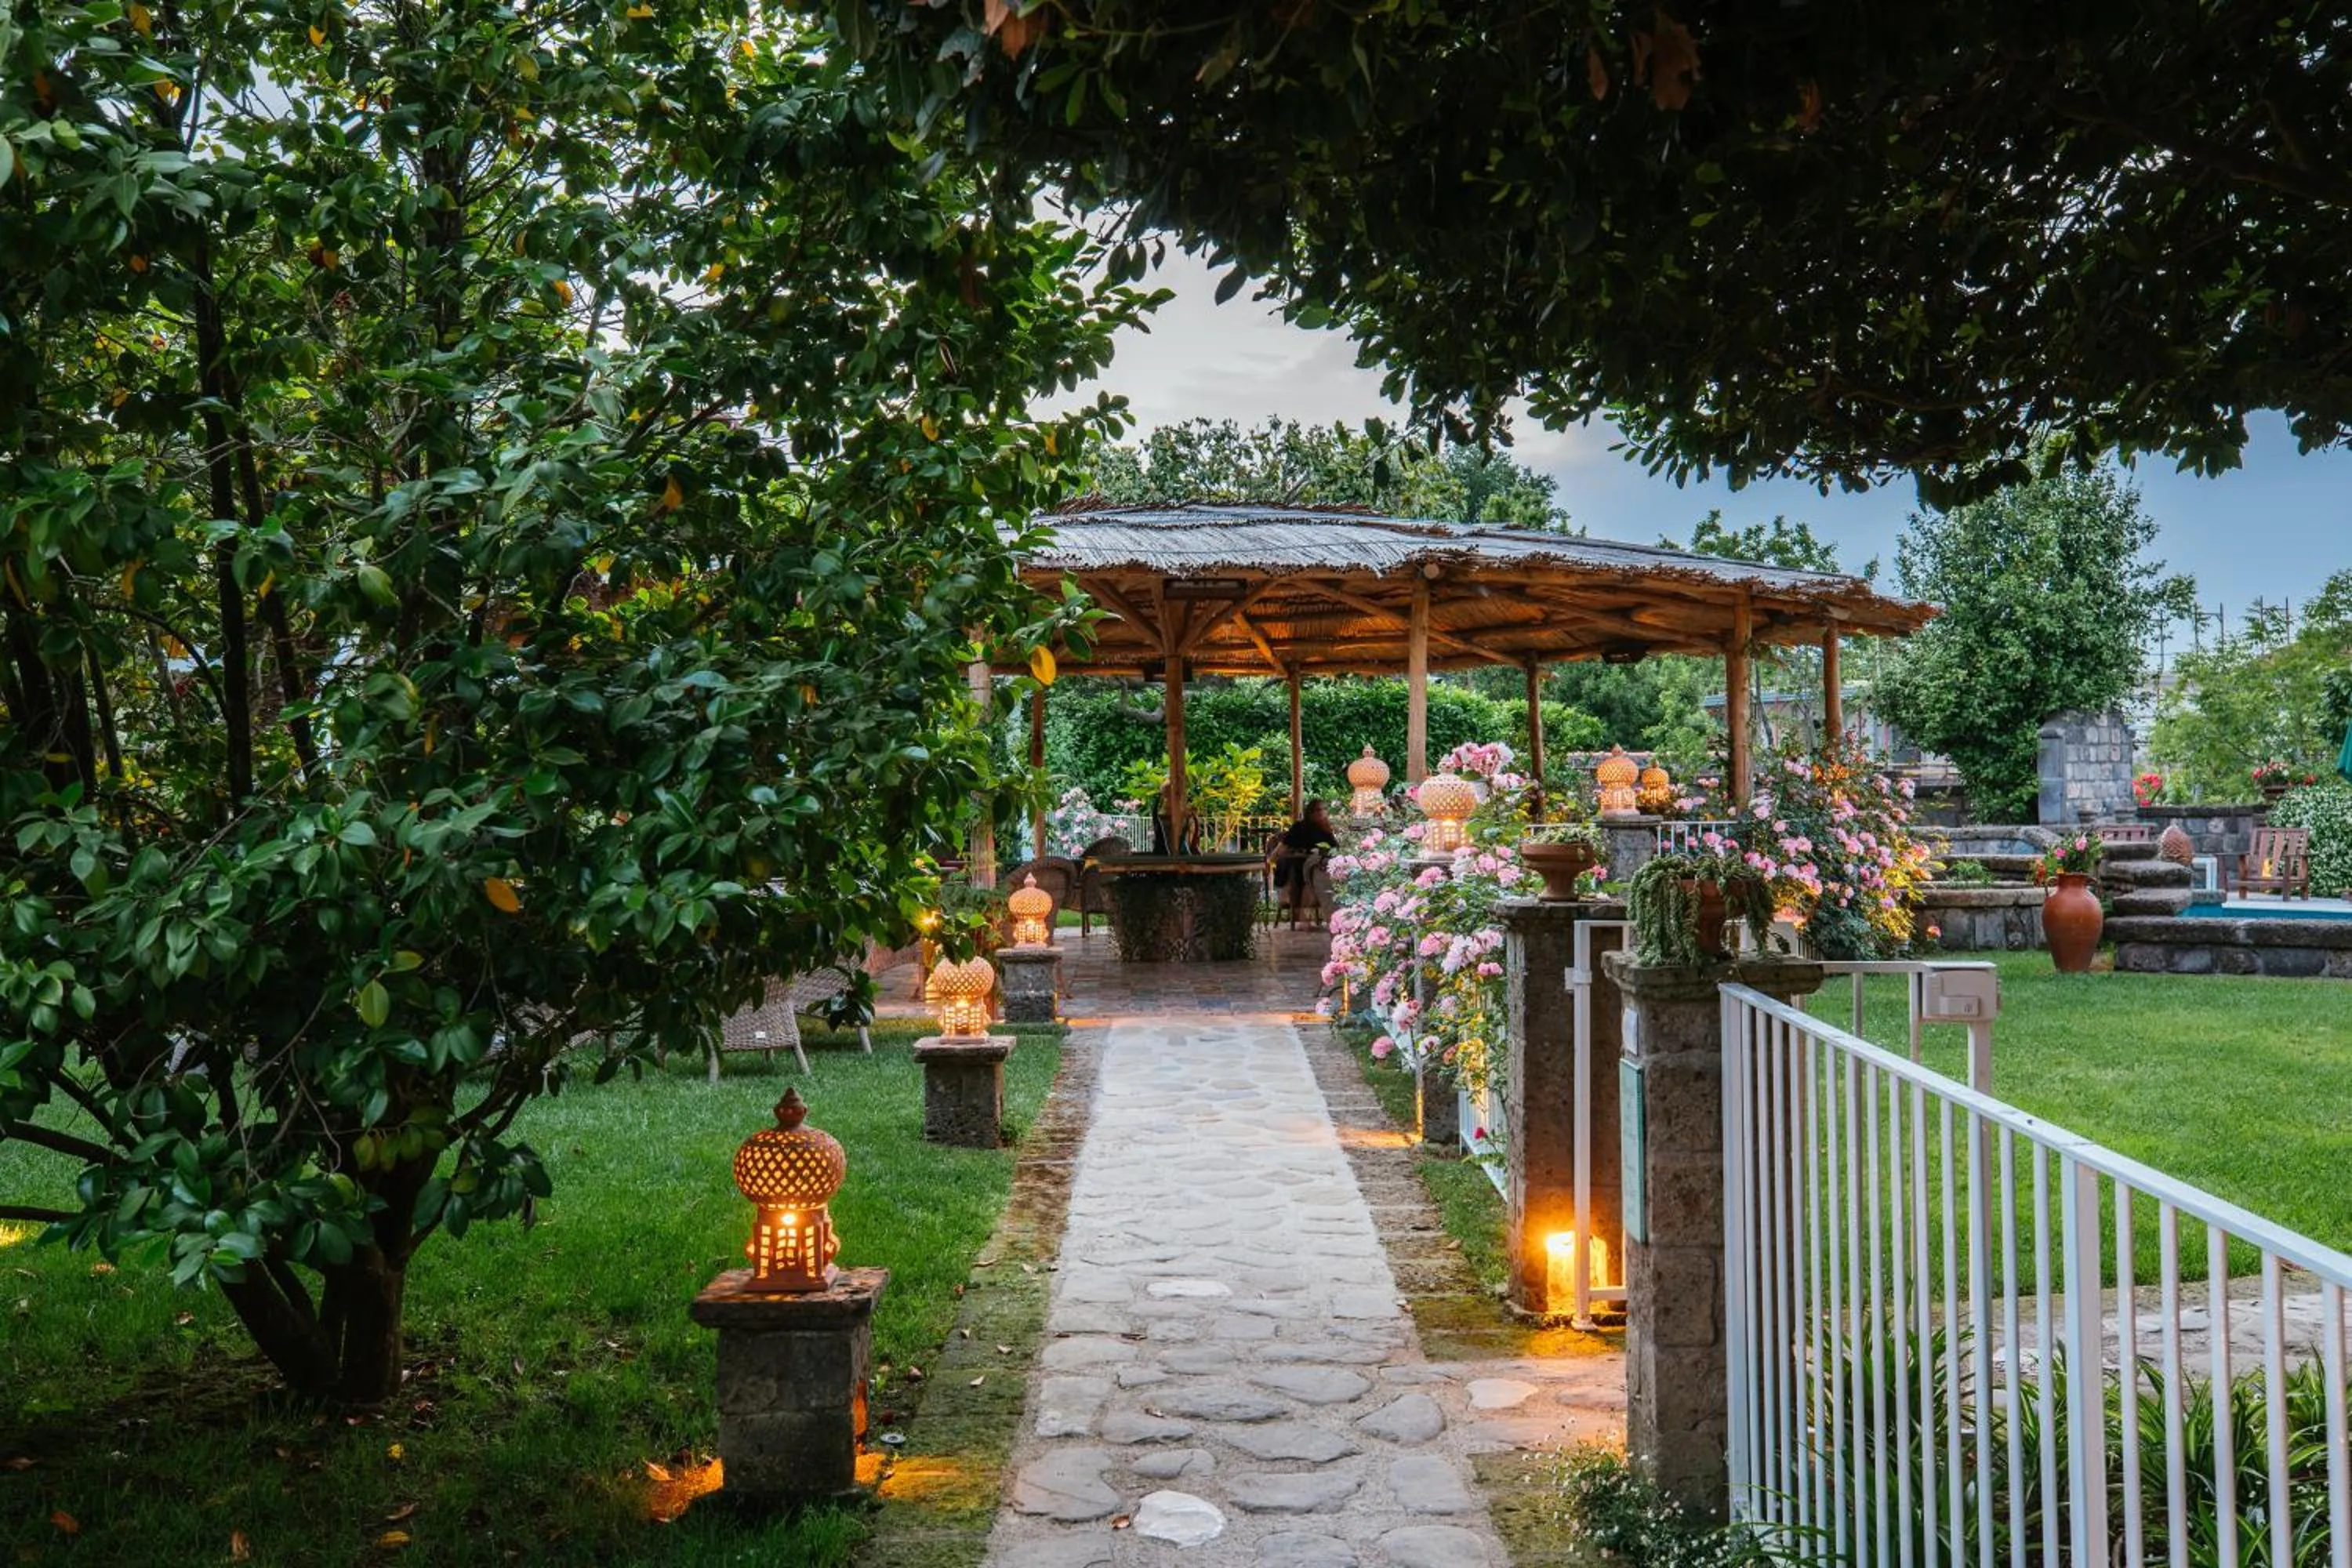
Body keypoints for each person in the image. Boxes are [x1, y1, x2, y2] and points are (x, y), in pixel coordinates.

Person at [1274, 800, 1338, 910]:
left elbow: (1334, 848)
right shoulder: (1300, 827)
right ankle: (1287, 893)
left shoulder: (1326, 830)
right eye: (1318, 810)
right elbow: (1284, 846)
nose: (1322, 813)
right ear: (1311, 813)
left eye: (1324, 809)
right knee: (1292, 863)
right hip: (1298, 862)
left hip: (1317, 864)